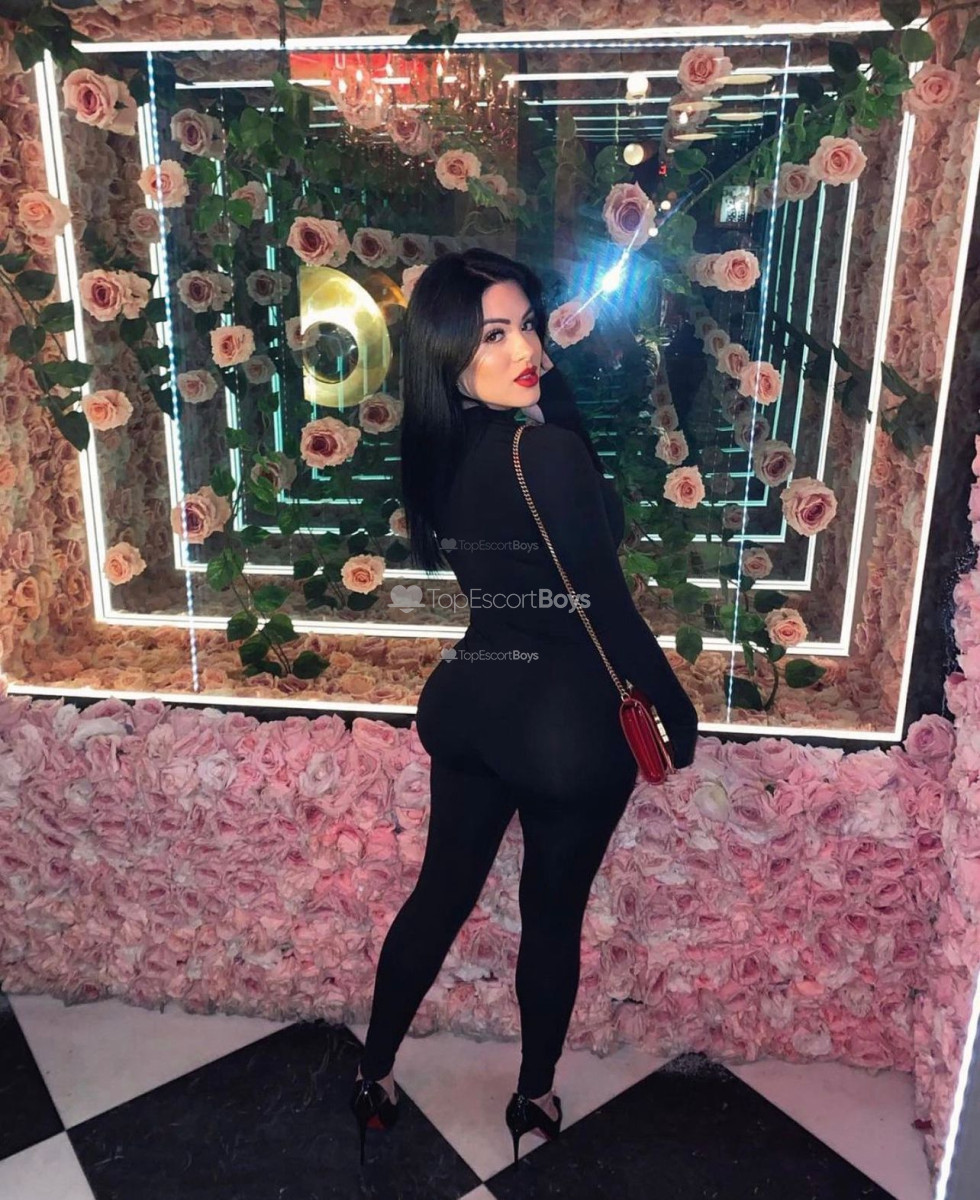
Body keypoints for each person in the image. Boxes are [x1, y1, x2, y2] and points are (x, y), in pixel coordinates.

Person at [349, 248, 700, 1166]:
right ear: (447, 353)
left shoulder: (439, 452)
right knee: (550, 915)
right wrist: (676, 711)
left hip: (471, 701)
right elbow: (604, 605)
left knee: (440, 894)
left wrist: (547, 403)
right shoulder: (543, 453)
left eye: (528, 326)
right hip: (563, 729)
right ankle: (534, 1096)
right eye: (492, 335)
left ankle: (373, 1073)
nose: (524, 349)